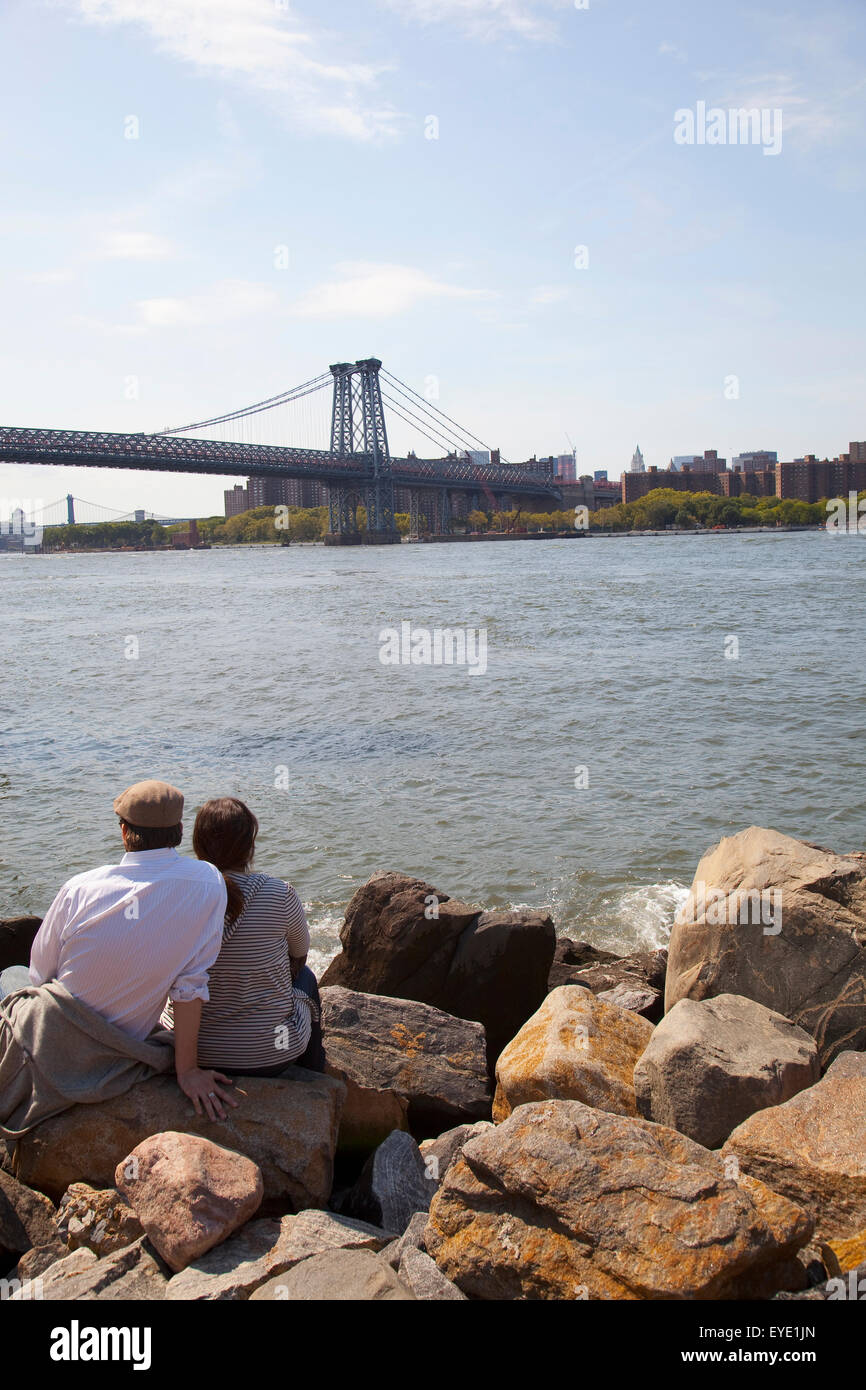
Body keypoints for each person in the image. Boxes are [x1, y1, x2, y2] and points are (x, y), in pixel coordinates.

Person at [2, 779, 238, 1122]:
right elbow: (190, 987)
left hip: (52, 1038)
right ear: (180, 830)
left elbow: (40, 976)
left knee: (11, 975)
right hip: (123, 1049)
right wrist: (187, 1071)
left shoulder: (79, 888)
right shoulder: (208, 883)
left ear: (125, 832)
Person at [163, 797, 324, 1076]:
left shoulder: (177, 897)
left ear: (198, 844)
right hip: (271, 1055)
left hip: (190, 1051)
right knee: (306, 976)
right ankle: (316, 1077)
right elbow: (300, 951)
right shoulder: (279, 893)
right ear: (250, 846)